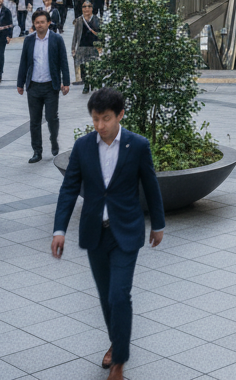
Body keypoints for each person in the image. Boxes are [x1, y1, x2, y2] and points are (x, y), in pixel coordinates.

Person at [52, 88, 165, 380]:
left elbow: (150, 184)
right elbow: (69, 189)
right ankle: (117, 341)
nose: (99, 126)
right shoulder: (83, 146)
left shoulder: (137, 145)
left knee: (119, 295)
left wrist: (158, 224)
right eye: (95, 119)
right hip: (94, 232)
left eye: (105, 119)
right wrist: (59, 229)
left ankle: (119, 363)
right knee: (105, 297)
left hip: (125, 231)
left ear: (120, 115)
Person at [17, 9, 71, 162]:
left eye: (42, 22)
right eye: (37, 22)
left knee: (51, 117)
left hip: (50, 86)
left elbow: (63, 62)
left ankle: (54, 141)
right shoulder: (29, 40)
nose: (39, 25)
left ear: (48, 23)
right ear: (33, 24)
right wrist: (20, 83)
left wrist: (65, 82)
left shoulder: (56, 39)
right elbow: (24, 63)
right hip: (33, 86)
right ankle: (37, 151)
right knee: (34, 121)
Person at [72, 0, 102, 94]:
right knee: (83, 67)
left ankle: (93, 82)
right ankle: (86, 85)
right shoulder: (79, 20)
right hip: (82, 47)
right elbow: (75, 34)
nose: (86, 9)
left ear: (92, 8)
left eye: (89, 7)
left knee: (93, 66)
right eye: (84, 7)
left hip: (93, 47)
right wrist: (73, 48)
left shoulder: (97, 20)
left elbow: (101, 34)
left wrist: (100, 46)